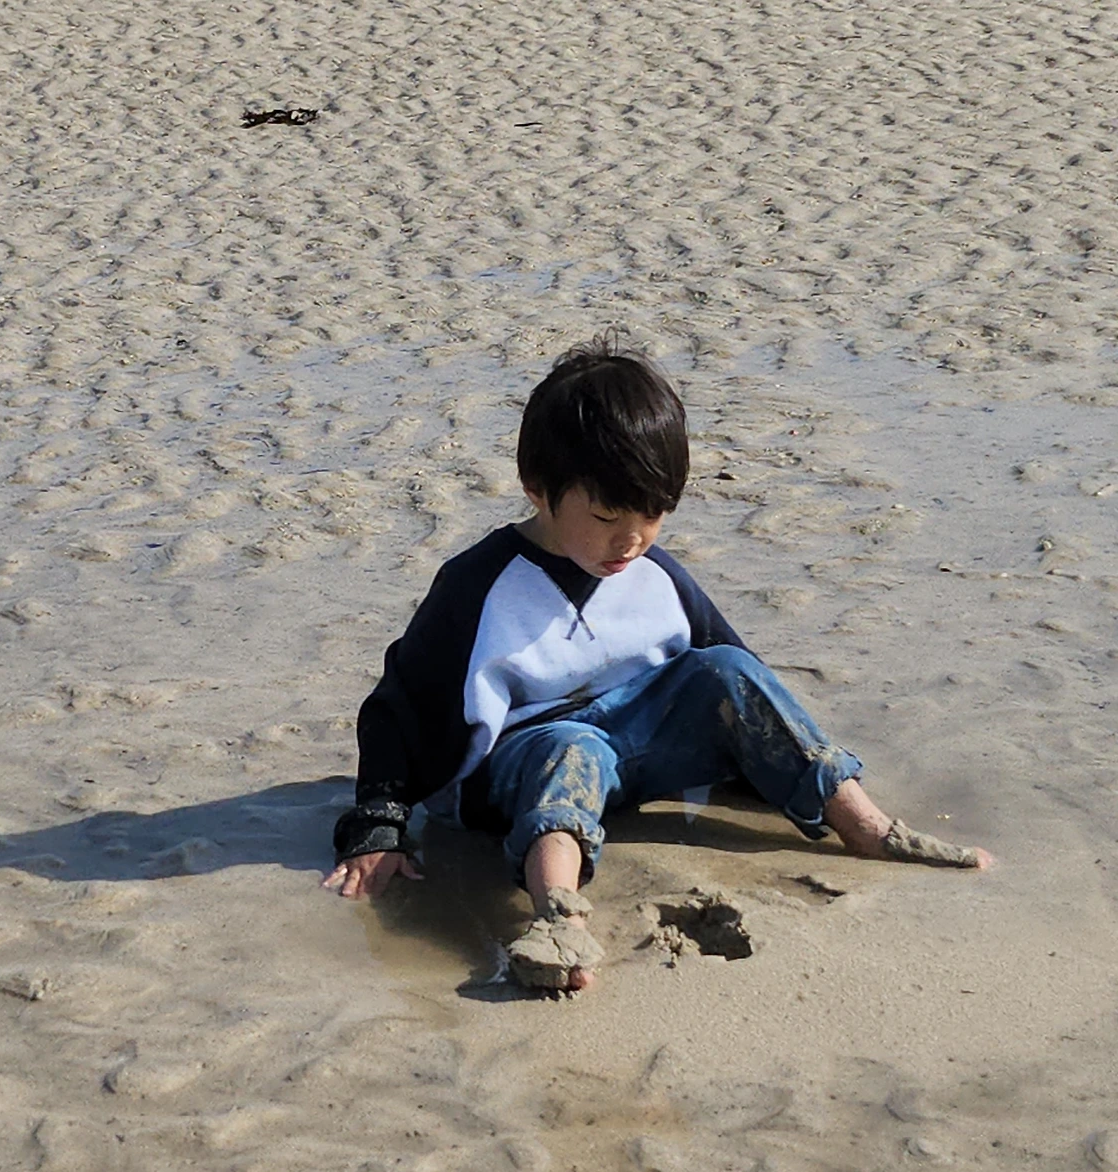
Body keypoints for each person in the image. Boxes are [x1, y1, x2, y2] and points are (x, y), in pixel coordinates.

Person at [322, 337, 991, 992]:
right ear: (538, 489)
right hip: (521, 765)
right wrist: (379, 827)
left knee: (725, 667)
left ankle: (867, 827)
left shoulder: (655, 573)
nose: (632, 539)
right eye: (607, 515)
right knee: (571, 747)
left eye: (654, 514)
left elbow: (737, 682)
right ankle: (557, 916)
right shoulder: (477, 587)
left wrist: (770, 764)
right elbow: (397, 708)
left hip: (637, 752)